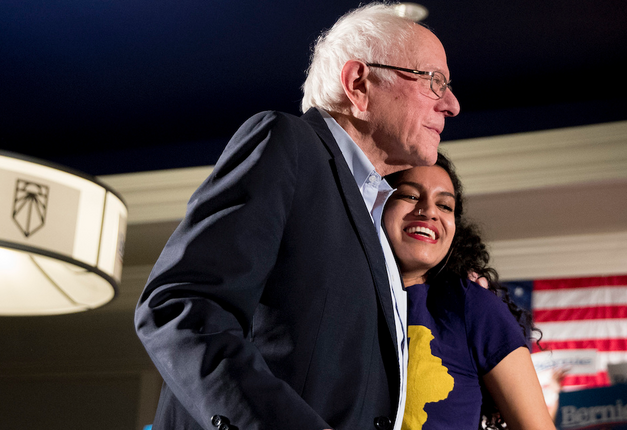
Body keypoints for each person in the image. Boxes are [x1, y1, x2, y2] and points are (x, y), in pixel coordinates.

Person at [134, 2, 460, 430]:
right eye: (433, 81)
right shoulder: (287, 144)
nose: (451, 104)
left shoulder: (374, 216)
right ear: (358, 84)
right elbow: (181, 308)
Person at [382, 153, 555, 430]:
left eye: (445, 205)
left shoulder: (473, 306)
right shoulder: (339, 299)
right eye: (411, 196)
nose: (429, 210)